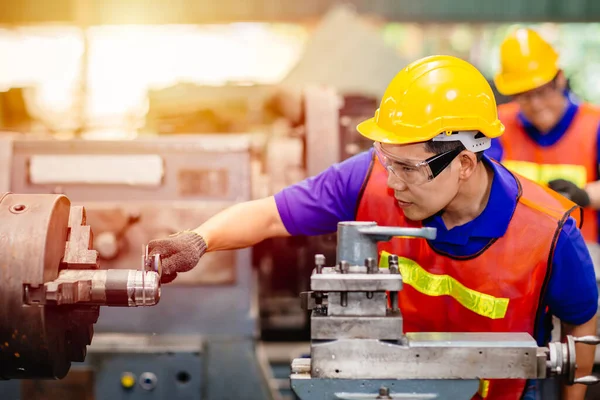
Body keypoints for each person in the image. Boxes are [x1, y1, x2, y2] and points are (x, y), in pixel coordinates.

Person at [148, 55, 598, 400]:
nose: (391, 181)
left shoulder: (549, 232)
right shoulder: (368, 178)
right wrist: (198, 239)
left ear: (463, 163)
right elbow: (267, 214)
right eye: (386, 160)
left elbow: (581, 326)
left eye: (406, 167)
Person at [489, 27, 600, 243]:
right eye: (524, 96)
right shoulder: (498, 126)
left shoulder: (594, 124)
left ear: (559, 79)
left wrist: (584, 195)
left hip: (582, 252)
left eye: (541, 92)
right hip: (514, 252)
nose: (536, 105)